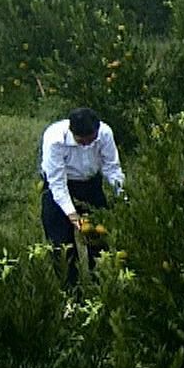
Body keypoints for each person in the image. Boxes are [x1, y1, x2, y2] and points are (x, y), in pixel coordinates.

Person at [41, 108, 126, 286]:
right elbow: (57, 185)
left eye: (91, 139)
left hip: (91, 186)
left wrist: (122, 197)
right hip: (60, 188)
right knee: (62, 247)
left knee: (99, 241)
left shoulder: (104, 133)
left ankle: (101, 287)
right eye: (82, 141)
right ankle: (71, 295)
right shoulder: (55, 139)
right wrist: (74, 218)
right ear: (73, 132)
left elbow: (112, 168)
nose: (87, 144)